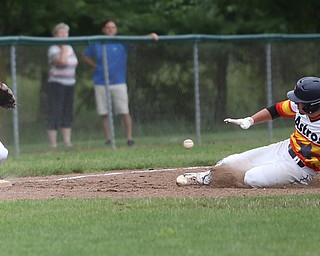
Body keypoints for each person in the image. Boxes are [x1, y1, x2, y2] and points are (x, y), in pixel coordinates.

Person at [176, 76, 320, 188]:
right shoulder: (298, 107)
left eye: (299, 100)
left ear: (311, 106)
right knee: (227, 163)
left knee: (252, 178)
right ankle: (204, 178)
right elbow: (275, 110)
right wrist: (250, 120)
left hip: (301, 168)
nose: (295, 102)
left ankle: (294, 183)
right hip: (284, 148)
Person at [82, 19, 158, 147]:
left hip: (118, 81)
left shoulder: (122, 42)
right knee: (104, 112)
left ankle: (129, 138)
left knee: (124, 111)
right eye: (108, 27)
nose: (110, 29)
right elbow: (84, 56)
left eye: (113, 27)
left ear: (116, 29)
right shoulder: (97, 43)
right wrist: (95, 66)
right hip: (101, 82)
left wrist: (150, 36)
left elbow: (138, 41)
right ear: (104, 30)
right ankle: (109, 139)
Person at [47, 23, 78, 149]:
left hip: (70, 83)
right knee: (55, 111)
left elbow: (75, 62)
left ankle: (67, 142)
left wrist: (66, 48)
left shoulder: (70, 47)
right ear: (55, 35)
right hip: (56, 84)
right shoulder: (53, 49)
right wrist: (64, 49)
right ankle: (53, 144)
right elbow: (62, 62)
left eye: (66, 33)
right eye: (61, 33)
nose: (64, 35)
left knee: (67, 112)